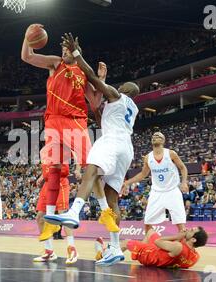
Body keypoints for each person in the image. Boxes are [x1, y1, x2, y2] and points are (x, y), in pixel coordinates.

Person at [45, 33, 140, 266]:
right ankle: (115, 247)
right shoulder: (132, 109)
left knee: (91, 166)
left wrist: (77, 53)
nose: (118, 85)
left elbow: (90, 77)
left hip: (112, 140)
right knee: (112, 198)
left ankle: (74, 212)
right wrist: (96, 106)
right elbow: (100, 118)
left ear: (125, 89)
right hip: (126, 148)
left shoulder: (117, 95)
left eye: (122, 85)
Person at [21, 24, 106, 226]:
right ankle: (51, 212)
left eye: (68, 50)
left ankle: (105, 210)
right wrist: (26, 38)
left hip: (75, 120)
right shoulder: (56, 64)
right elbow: (28, 57)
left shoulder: (84, 72)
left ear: (76, 53)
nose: (63, 53)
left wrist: (101, 79)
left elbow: (94, 102)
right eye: (63, 50)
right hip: (53, 120)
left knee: (90, 164)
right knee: (54, 168)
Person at [122, 132, 189, 233]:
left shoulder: (171, 153)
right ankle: (149, 245)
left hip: (172, 191)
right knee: (147, 223)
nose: (155, 137)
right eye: (153, 136)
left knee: (180, 224)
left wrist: (184, 182)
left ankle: (184, 246)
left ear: (163, 140)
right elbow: (143, 174)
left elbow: (183, 168)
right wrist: (127, 182)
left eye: (158, 136)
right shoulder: (148, 158)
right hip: (156, 192)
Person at [33, 156, 79, 265]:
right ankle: (49, 251)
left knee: (64, 215)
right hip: (47, 184)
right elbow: (48, 167)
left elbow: (76, 155)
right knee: (40, 218)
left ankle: (72, 248)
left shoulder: (62, 143)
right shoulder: (44, 150)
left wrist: (77, 169)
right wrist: (41, 177)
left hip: (60, 181)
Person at [110, 227, 208, 269]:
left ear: (193, 240)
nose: (189, 229)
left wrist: (177, 237)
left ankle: (108, 256)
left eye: (191, 230)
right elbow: (180, 260)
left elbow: (158, 242)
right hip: (162, 253)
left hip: (151, 255)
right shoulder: (195, 257)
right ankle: (139, 248)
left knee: (125, 242)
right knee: (150, 231)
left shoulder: (178, 246)